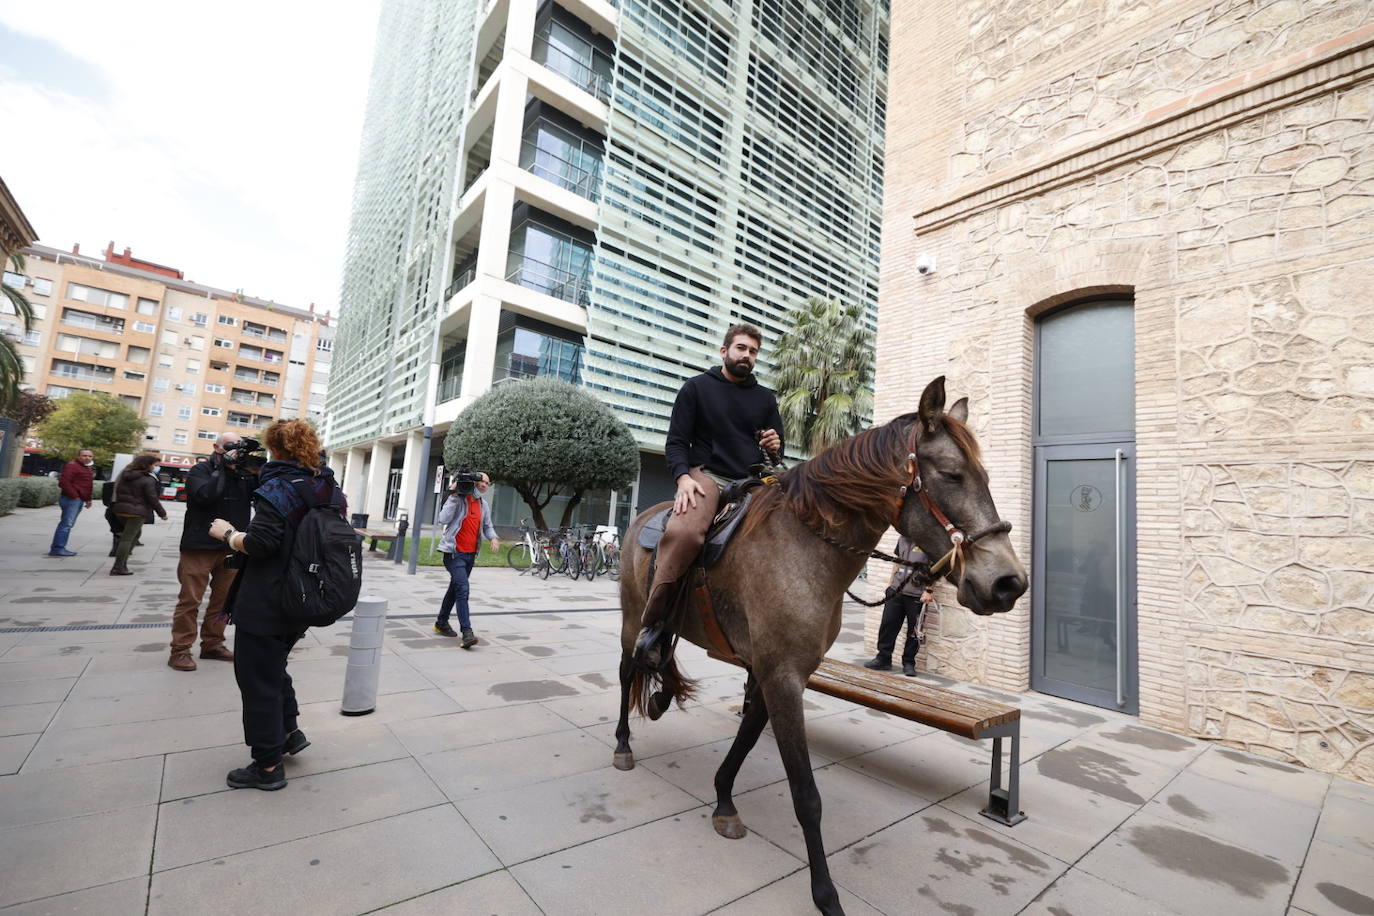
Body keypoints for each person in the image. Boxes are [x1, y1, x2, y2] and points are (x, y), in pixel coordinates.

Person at [634, 323, 784, 666]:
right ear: (724, 351)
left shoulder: (765, 398)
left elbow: (776, 450)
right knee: (684, 533)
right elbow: (675, 443)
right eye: (741, 348)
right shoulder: (697, 389)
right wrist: (683, 478)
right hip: (708, 476)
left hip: (752, 479)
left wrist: (775, 446)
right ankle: (655, 624)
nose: (747, 356)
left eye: (753, 352)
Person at [209, 419, 345, 791]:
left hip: (268, 596)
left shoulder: (280, 487)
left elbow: (262, 543)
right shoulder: (327, 485)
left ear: (275, 447)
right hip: (304, 594)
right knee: (273, 667)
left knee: (256, 679)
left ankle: (267, 765)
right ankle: (288, 733)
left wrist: (228, 534)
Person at [168, 432, 257, 672]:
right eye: (230, 446)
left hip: (230, 547)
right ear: (216, 447)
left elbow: (263, 494)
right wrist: (224, 469)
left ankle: (213, 644)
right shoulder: (201, 471)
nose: (235, 450)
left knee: (224, 599)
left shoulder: (243, 475)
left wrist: (252, 466)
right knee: (190, 599)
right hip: (199, 546)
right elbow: (206, 496)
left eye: (238, 446)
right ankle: (181, 649)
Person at [433, 472, 498, 648]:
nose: (485, 485)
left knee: (455, 589)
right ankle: (467, 633)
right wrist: (453, 496)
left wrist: (493, 537)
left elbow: (487, 525)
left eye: (487, 483)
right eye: (482, 481)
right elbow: (442, 519)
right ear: (474, 483)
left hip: (470, 555)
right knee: (463, 589)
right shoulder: (459, 500)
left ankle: (441, 623)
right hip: (454, 554)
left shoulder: (483, 505)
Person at [862, 536, 934, 677]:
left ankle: (908, 663)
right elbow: (896, 563)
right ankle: (883, 658)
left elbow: (934, 569)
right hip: (896, 591)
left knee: (914, 631)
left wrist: (928, 590)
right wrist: (890, 586)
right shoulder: (902, 539)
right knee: (888, 625)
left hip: (916, 594)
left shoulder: (928, 541)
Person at [109, 454, 168, 576]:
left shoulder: (125, 475)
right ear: (147, 465)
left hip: (120, 510)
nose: (155, 467)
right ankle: (118, 566)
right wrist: (162, 513)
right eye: (154, 465)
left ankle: (122, 563)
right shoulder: (148, 479)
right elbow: (152, 498)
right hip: (136, 512)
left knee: (133, 535)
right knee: (127, 539)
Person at [47, 448, 95, 557]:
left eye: (89, 456)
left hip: (78, 499)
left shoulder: (87, 468)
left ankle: (59, 547)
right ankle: (57, 548)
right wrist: (75, 496)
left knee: (68, 524)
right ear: (78, 456)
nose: (87, 458)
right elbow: (64, 482)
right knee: (66, 524)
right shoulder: (72, 465)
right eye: (84, 455)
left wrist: (88, 499)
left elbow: (87, 485)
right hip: (71, 499)